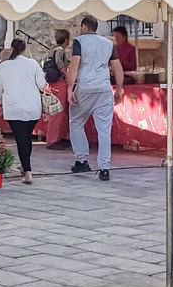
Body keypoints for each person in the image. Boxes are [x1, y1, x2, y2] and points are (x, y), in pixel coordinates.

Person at [66, 15, 124, 181]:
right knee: (104, 130)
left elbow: (73, 67)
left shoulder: (79, 42)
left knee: (76, 122)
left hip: (85, 87)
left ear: (84, 27)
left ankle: (81, 159)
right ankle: (104, 168)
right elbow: (118, 70)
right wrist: (119, 90)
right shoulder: (109, 43)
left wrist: (70, 89)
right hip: (104, 89)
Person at [0, 39, 47, 185]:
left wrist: (0, 101)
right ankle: (25, 166)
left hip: (14, 107)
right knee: (26, 137)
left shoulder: (4, 66)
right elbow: (42, 84)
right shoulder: (33, 64)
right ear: (25, 49)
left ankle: (28, 171)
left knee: (21, 139)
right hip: (32, 107)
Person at [43, 29, 73, 150]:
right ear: (66, 39)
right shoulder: (60, 50)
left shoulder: (52, 50)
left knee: (59, 112)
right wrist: (67, 75)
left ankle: (57, 137)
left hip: (53, 84)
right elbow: (60, 64)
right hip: (59, 83)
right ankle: (52, 140)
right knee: (57, 112)